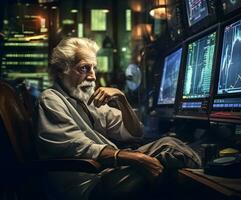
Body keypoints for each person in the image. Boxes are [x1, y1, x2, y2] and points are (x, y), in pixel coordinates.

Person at [35, 37, 201, 200]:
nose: (93, 76)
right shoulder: (50, 99)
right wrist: (138, 158)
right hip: (85, 185)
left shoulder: (86, 98)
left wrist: (122, 100)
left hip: (103, 173)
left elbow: (135, 132)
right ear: (60, 70)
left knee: (170, 152)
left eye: (94, 68)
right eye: (84, 68)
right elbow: (80, 148)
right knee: (170, 148)